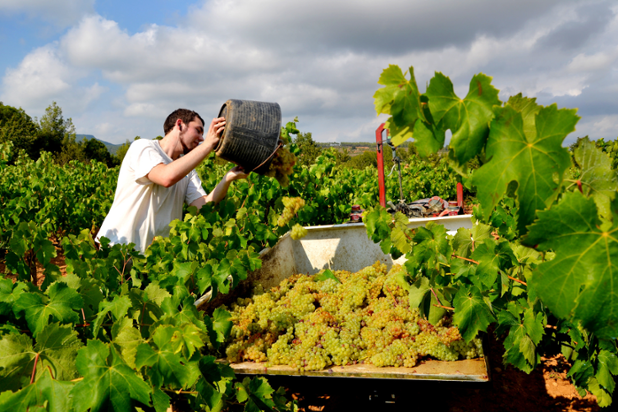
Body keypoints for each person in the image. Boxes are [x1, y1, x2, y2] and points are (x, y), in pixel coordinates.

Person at [96, 108, 248, 252]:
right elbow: (165, 177)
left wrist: (228, 178)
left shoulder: (188, 172)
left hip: (152, 258)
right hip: (118, 248)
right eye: (198, 130)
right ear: (179, 124)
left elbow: (202, 207)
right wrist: (209, 144)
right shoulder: (143, 147)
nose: (202, 138)